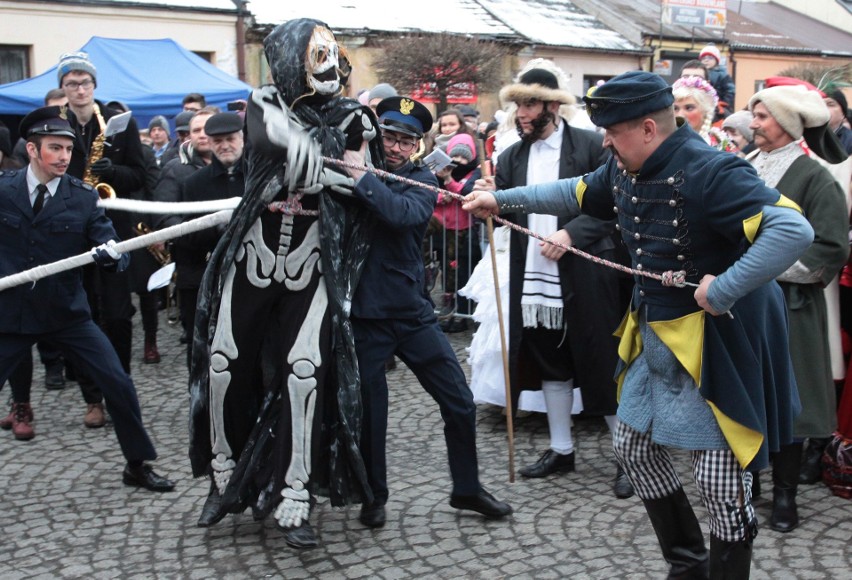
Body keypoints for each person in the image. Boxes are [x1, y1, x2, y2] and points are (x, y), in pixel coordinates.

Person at [463, 70, 814, 577]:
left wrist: (726, 286)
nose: (603, 141)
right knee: (631, 445)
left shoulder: (713, 170)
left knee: (718, 478)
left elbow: (792, 228)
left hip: (716, 341)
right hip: (657, 332)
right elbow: (575, 191)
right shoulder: (623, 167)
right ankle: (687, 561)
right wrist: (502, 200)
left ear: (649, 128)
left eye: (613, 131)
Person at [188, 18, 383, 549]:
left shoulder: (353, 118)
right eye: (313, 55)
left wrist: (337, 174)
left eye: (329, 55)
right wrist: (293, 143)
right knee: (222, 362)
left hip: (312, 260)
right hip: (254, 249)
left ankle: (296, 494)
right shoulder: (266, 103)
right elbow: (265, 128)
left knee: (305, 371)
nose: (326, 66)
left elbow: (363, 182)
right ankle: (225, 476)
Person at [341, 95, 512, 529]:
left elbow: (401, 215)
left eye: (406, 140)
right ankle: (372, 496)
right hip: (365, 314)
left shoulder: (419, 179)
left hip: (413, 312)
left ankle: (467, 488)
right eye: (389, 137)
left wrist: (361, 176)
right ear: (374, 134)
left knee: (459, 401)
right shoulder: (349, 172)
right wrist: (356, 171)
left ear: (418, 145)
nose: (396, 147)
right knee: (371, 412)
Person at [477, 65, 633, 499]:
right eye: (517, 105)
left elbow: (613, 203)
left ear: (552, 105)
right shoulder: (510, 155)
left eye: (528, 104)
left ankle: (629, 458)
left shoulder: (589, 145)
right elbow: (510, 213)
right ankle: (561, 449)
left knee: (601, 362)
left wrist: (571, 234)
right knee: (550, 361)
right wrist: (491, 203)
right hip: (533, 274)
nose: (521, 114)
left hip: (586, 271)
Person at [0, 106, 174, 491]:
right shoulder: (3, 189)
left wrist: (112, 254)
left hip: (66, 314)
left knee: (118, 382)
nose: (63, 157)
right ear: (32, 149)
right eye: (54, 148)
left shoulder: (81, 198)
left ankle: (137, 464)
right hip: (11, 315)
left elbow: (110, 243)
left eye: (67, 149)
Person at [746, 84, 849, 532]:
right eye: (755, 116)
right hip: (741, 305)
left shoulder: (814, 176)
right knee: (745, 396)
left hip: (790, 306)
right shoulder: (746, 167)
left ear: (787, 124)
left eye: (763, 117)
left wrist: (763, 269)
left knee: (787, 401)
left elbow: (831, 246)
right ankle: (745, 491)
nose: (754, 124)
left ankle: (785, 496)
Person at [58, 51, 147, 429]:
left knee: (117, 315)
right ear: (63, 87)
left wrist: (116, 171)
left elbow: (140, 175)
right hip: (68, 232)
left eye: (85, 82)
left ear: (94, 85)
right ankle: (92, 397)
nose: (79, 89)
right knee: (81, 316)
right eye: (72, 83)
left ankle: (119, 386)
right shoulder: (52, 125)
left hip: (113, 229)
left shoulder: (117, 123)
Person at [173, 112, 245, 371]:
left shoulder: (260, 176)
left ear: (243, 138)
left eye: (230, 139)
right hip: (207, 273)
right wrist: (219, 227)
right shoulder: (193, 184)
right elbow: (186, 234)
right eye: (218, 141)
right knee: (204, 348)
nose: (225, 145)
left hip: (252, 277)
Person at [671, 76, 735, 153]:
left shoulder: (720, 142)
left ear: (705, 111)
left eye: (689, 108)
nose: (680, 115)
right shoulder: (661, 143)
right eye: (675, 108)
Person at [698, 44, 736, 120]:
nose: (706, 60)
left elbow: (730, 91)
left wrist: (724, 104)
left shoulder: (722, 75)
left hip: (718, 106)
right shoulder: (698, 74)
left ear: (716, 60)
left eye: (710, 58)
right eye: (703, 58)